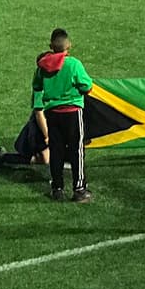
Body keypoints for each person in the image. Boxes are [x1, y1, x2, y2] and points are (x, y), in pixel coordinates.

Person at [32, 28, 95, 203]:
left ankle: (57, 189)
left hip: (52, 113)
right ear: (69, 46)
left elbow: (37, 86)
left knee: (56, 151)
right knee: (76, 150)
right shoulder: (74, 64)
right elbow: (87, 87)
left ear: (50, 46)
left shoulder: (42, 66)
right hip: (73, 112)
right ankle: (79, 189)